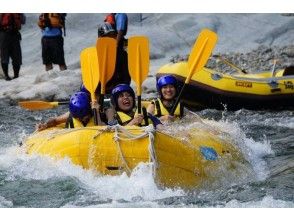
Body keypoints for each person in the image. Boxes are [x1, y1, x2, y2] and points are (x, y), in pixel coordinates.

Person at [36, 92, 104, 131]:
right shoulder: (71, 115)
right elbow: (55, 121)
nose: (81, 120)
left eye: (84, 117)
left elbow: (103, 130)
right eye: (78, 118)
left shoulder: (97, 113)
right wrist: (45, 125)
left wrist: (97, 112)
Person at [97, 13, 130, 94]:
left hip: (117, 90)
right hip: (100, 91)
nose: (110, 39)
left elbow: (126, 78)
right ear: (100, 39)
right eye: (107, 36)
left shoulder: (122, 55)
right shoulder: (95, 55)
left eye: (112, 36)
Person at [0, 13, 25, 80]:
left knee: (5, 56)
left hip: (5, 34)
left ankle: (7, 76)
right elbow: (23, 21)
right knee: (16, 56)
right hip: (12, 34)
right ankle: (15, 76)